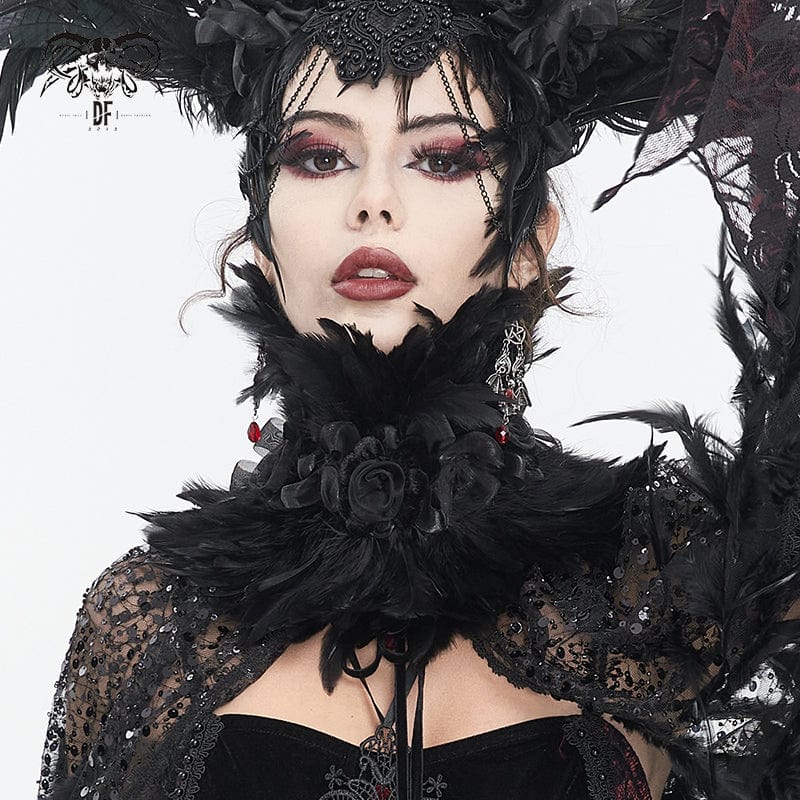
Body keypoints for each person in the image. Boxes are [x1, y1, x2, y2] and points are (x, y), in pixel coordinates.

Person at [1, 1, 799, 799]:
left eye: (442, 159)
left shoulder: (666, 588)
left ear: (528, 246)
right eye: (320, 156)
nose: (374, 201)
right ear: (262, 244)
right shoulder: (147, 622)